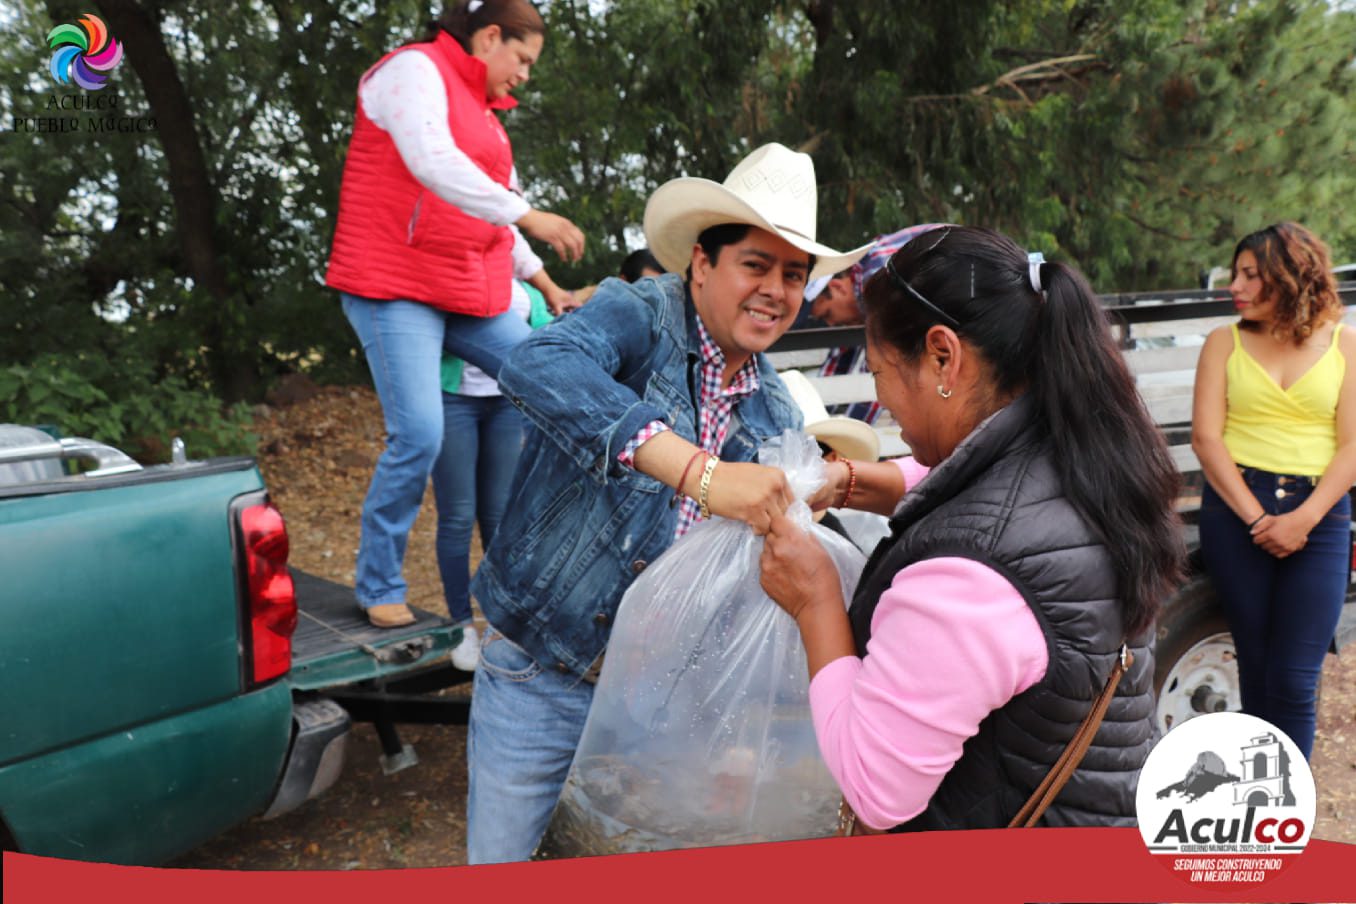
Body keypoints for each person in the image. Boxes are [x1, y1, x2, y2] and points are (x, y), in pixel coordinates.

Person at [464, 142, 870, 863]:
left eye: (794, 274)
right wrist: (700, 473)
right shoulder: (640, 316)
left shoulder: (775, 413)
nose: (775, 290)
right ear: (703, 264)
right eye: (755, 264)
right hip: (540, 669)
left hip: (653, 703)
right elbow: (537, 364)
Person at [759, 225, 1184, 832]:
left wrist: (815, 601)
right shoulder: (1088, 451)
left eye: (879, 373)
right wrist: (855, 481)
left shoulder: (969, 578)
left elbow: (877, 787)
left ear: (942, 356)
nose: (882, 404)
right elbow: (986, 480)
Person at [323, 0, 585, 628]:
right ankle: (379, 580)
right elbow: (432, 161)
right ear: (489, 37)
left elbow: (497, 211)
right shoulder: (411, 71)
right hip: (392, 287)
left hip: (465, 289)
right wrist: (530, 214)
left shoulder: (491, 122)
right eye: (521, 58)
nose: (525, 74)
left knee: (556, 380)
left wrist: (546, 284)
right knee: (419, 433)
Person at [1191, 222, 1356, 759]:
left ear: (1290, 277)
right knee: (1258, 672)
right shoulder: (1224, 342)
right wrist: (1259, 521)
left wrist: (1303, 519)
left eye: (1251, 274)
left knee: (1294, 680)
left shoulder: (1345, 346)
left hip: (1321, 516)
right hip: (1237, 512)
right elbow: (1206, 439)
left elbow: (1352, 446)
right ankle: (1258, 811)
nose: (1234, 286)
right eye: (1235, 273)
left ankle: (1288, 816)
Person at [432, 279, 553, 670]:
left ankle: (503, 622)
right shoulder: (454, 268)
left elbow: (542, 330)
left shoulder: (525, 275)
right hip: (454, 399)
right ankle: (460, 625)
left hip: (504, 402)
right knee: (458, 515)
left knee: (501, 516)